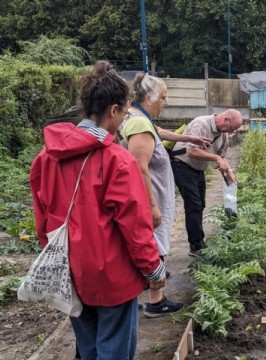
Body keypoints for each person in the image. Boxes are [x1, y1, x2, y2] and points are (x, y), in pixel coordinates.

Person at [30, 60, 166, 360]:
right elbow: (135, 225)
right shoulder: (118, 160)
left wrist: (60, 258)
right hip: (113, 276)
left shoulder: (46, 158)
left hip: (72, 271)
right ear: (113, 110)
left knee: (88, 349)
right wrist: (153, 268)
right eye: (125, 112)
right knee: (115, 350)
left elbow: (42, 219)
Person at [119, 73, 209, 318]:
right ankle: (156, 302)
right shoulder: (138, 124)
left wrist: (189, 137)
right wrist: (152, 206)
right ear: (148, 97)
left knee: (147, 248)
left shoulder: (138, 118)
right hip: (152, 198)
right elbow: (140, 166)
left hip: (154, 196)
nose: (165, 103)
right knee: (154, 248)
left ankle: (132, 297)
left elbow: (159, 132)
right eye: (163, 98)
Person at [171, 110, 243, 256]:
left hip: (198, 169)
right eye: (232, 128)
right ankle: (196, 245)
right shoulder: (201, 124)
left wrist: (229, 172)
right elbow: (191, 152)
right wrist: (216, 159)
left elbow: (222, 156)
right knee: (194, 205)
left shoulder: (223, 134)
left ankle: (198, 242)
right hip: (182, 165)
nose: (231, 132)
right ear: (226, 120)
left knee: (200, 204)